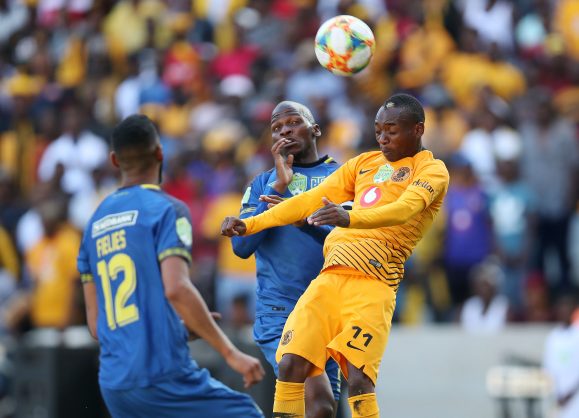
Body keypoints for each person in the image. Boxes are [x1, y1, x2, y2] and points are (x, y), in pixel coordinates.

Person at [222, 93, 450, 418]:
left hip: (370, 282)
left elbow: (402, 210)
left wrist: (343, 219)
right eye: (378, 131)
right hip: (303, 294)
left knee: (343, 392)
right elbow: (299, 208)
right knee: (299, 378)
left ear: (418, 129)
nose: (383, 138)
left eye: (391, 131)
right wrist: (250, 222)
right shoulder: (356, 165)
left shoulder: (428, 170)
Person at [76, 115, 264, 418]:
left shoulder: (93, 225)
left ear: (114, 160)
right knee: (246, 413)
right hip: (162, 375)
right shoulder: (166, 209)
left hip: (114, 385)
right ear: (159, 153)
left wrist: (173, 329)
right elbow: (176, 288)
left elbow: (98, 326)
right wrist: (231, 353)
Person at [231, 100, 341, 417]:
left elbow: (350, 243)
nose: (285, 131)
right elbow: (241, 247)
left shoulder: (341, 177)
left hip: (329, 311)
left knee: (320, 408)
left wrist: (303, 222)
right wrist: (278, 189)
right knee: (318, 402)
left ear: (315, 129)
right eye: (277, 128)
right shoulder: (262, 183)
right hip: (281, 310)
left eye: (293, 122)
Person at [543, 294, 579, 418]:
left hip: (575, 397)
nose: (564, 312)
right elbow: (548, 369)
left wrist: (570, 394)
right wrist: (557, 393)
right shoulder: (553, 337)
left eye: (567, 308)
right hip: (558, 398)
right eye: (561, 308)